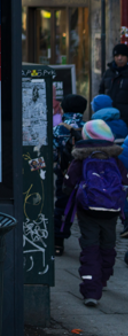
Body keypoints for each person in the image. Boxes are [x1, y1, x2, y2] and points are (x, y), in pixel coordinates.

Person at [63, 119, 128, 307]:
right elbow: (124, 182)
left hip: (87, 210)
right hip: (111, 211)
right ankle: (104, 278)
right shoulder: (114, 158)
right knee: (108, 245)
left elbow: (68, 184)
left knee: (90, 247)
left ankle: (91, 290)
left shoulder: (81, 157)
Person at [54, 94, 87, 256]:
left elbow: (52, 153)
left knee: (62, 206)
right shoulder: (88, 127)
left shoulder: (59, 128)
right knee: (86, 207)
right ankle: (90, 244)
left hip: (65, 173)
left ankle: (58, 242)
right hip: (86, 173)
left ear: (64, 108)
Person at [98, 43, 128, 118]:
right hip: (108, 115)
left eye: (123, 56)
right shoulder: (108, 73)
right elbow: (101, 90)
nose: (119, 58)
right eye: (117, 56)